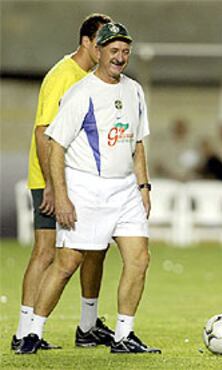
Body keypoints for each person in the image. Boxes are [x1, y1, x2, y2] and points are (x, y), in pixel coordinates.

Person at [16, 22, 161, 355]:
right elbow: (54, 144)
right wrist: (62, 194)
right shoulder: (81, 92)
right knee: (67, 262)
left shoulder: (135, 90)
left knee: (139, 258)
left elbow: (137, 142)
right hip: (86, 187)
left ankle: (124, 336)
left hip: (125, 189)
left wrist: (143, 186)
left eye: (125, 52)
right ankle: (32, 332)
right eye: (114, 51)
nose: (120, 58)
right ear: (99, 51)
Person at [12, 13, 115, 352]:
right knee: (46, 253)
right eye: (101, 42)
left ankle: (87, 325)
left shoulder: (89, 77)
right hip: (52, 180)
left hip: (78, 182)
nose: (106, 49)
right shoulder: (63, 75)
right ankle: (25, 332)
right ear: (86, 43)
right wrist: (52, 187)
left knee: (93, 250)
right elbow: (44, 131)